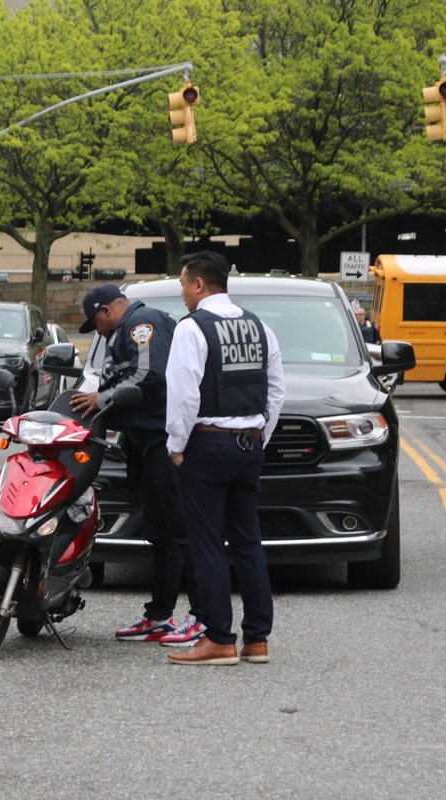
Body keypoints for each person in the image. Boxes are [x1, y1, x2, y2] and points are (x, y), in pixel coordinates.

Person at [164, 251, 285, 666]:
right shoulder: (260, 327)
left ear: (199, 284)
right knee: (249, 541)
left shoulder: (192, 329)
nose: (182, 293)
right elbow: (276, 392)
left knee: (208, 544)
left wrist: (176, 447)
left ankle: (218, 638)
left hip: (207, 445)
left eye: (183, 284)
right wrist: (259, 437)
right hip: (249, 445)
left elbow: (183, 394)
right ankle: (258, 640)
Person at [69, 285, 203, 646]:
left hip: (164, 442)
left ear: (107, 309)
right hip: (142, 444)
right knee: (160, 532)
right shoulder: (121, 333)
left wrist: (102, 398)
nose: (97, 329)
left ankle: (203, 618)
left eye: (95, 320)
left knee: (178, 531)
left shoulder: (140, 323)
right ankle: (159, 616)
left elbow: (148, 374)